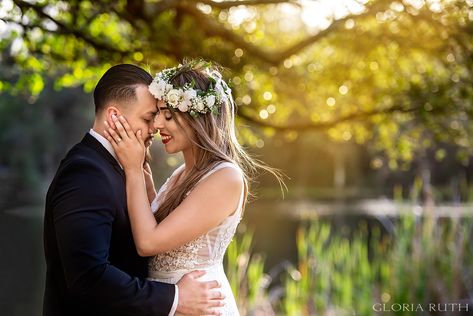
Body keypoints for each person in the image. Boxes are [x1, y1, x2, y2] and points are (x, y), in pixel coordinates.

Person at [104, 59, 284, 315]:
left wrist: (132, 170)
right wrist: (144, 178)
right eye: (156, 115)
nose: (156, 125)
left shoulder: (226, 178)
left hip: (200, 308)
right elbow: (162, 226)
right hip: (171, 304)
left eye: (168, 116)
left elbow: (148, 242)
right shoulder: (184, 172)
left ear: (197, 119)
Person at [43, 64, 224, 316]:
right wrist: (175, 298)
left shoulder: (118, 168)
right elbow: (88, 277)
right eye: (148, 118)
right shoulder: (85, 172)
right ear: (114, 116)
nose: (155, 128)